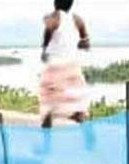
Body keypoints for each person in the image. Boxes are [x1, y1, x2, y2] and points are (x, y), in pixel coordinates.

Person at [39, 0, 90, 128]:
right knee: (78, 106)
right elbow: (86, 43)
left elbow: (49, 26)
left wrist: (45, 47)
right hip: (73, 68)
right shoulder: (77, 20)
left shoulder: (56, 16)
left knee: (48, 107)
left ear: (56, 3)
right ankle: (86, 131)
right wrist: (79, 43)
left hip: (57, 66)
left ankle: (46, 138)